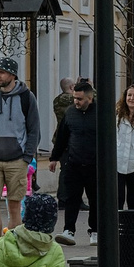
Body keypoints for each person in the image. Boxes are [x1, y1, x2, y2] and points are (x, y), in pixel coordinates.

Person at [0, 58, 40, 241]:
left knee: (14, 207)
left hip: (17, 159)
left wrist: (27, 156)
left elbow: (34, 130)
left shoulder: (26, 97)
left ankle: (11, 246)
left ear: (12, 75)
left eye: (2, 72)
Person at [45, 80, 101, 244]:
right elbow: (62, 136)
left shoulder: (100, 114)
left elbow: (109, 139)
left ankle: (95, 231)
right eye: (75, 98)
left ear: (90, 98)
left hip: (94, 165)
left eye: (80, 99)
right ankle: (68, 230)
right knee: (71, 198)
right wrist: (54, 158)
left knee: (95, 199)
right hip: (73, 163)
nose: (76, 101)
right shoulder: (70, 113)